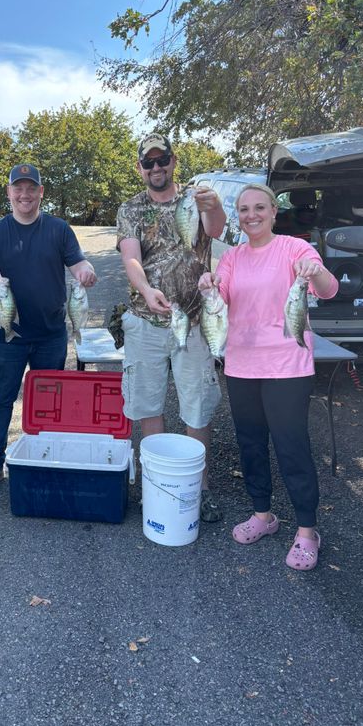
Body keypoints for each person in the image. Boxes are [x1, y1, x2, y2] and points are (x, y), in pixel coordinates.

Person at [198, 184, 339, 570]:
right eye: (244, 209)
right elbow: (220, 297)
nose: (251, 215)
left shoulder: (294, 249)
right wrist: (208, 285)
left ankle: (308, 530)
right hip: (241, 365)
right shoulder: (232, 258)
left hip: (287, 367)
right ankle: (263, 515)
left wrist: (318, 270)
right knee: (251, 444)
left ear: (274, 212)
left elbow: (327, 290)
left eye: (259, 207)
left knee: (291, 445)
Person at [0, 163, 97, 498]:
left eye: (31, 188)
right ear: (9, 192)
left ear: (41, 192)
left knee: (49, 401)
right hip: (6, 336)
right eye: (17, 188)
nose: (24, 194)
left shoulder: (59, 229)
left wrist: (86, 271)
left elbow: (78, 262)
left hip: (51, 334)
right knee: (0, 399)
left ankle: (44, 460)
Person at [116, 133, 226, 522]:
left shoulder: (194, 199)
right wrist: (145, 289)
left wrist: (212, 206)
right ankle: (156, 484)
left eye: (162, 160)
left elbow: (215, 230)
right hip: (146, 320)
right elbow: (130, 258)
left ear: (173, 161)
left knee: (197, 404)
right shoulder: (130, 208)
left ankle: (201, 485)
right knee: (148, 404)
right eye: (149, 162)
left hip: (196, 317)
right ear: (140, 167)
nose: (156, 167)